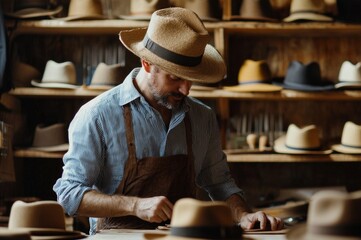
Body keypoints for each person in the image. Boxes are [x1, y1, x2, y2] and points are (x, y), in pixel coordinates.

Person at [53, 7, 283, 235]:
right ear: (146, 63)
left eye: (191, 79)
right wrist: (135, 206)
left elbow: (219, 183)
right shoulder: (97, 115)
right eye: (175, 77)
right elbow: (69, 194)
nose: (186, 89)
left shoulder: (202, 117)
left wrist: (243, 214)